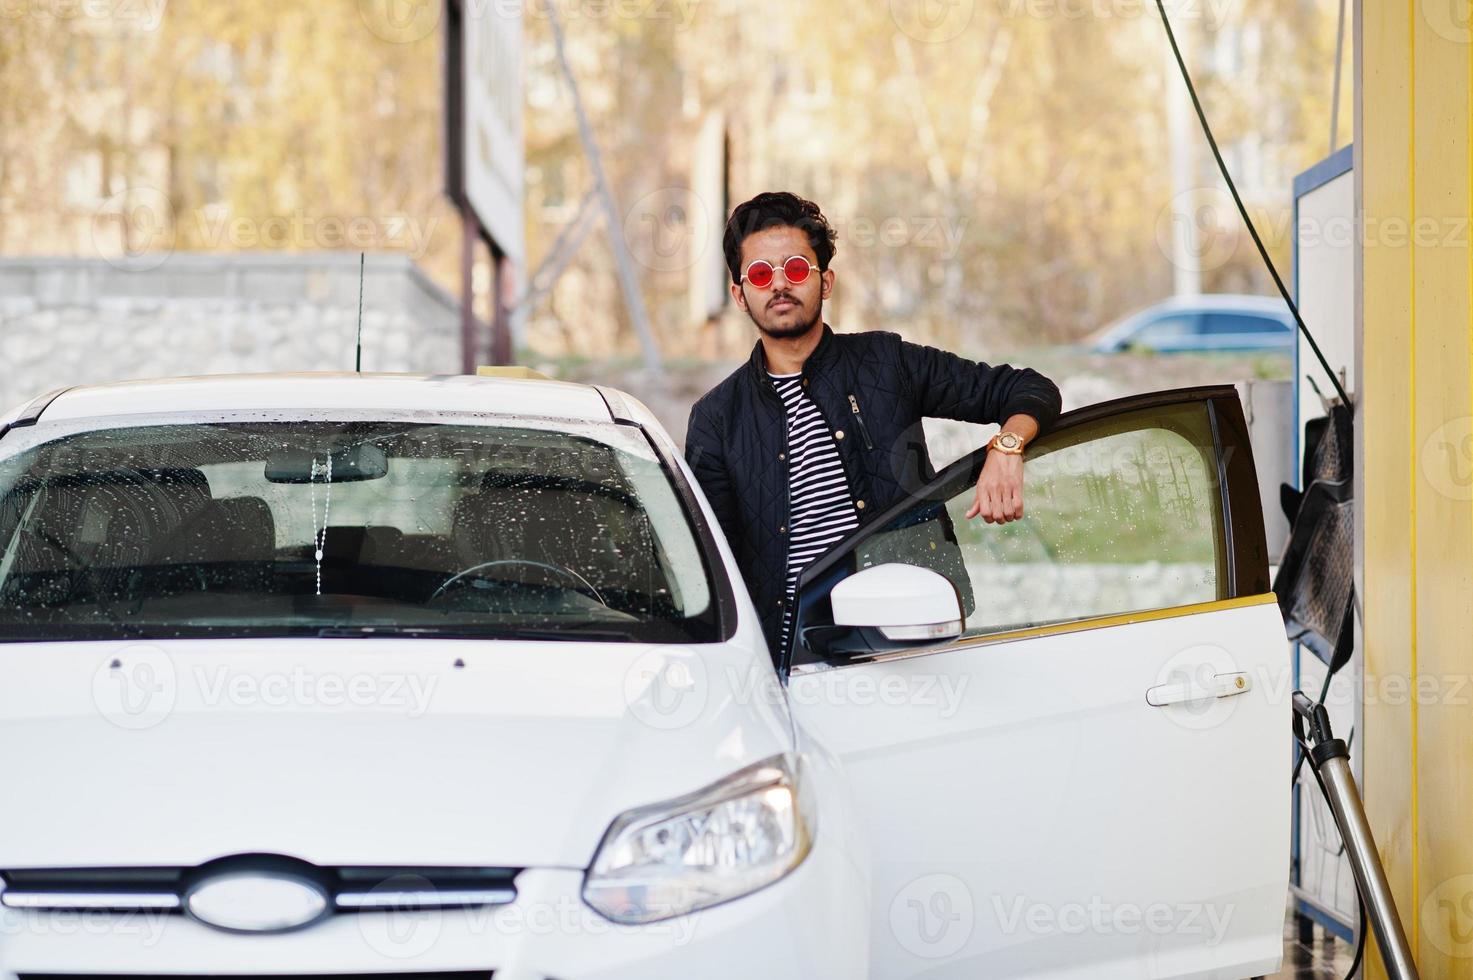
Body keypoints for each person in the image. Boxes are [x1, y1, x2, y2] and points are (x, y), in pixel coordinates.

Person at [684, 191, 1063, 659]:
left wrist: (1007, 447)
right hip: (792, 667)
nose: (780, 285)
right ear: (741, 295)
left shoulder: (886, 363)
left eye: (797, 268)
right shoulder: (717, 418)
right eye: (761, 274)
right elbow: (711, 567)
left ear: (825, 282)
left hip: (911, 641)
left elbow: (1028, 388)